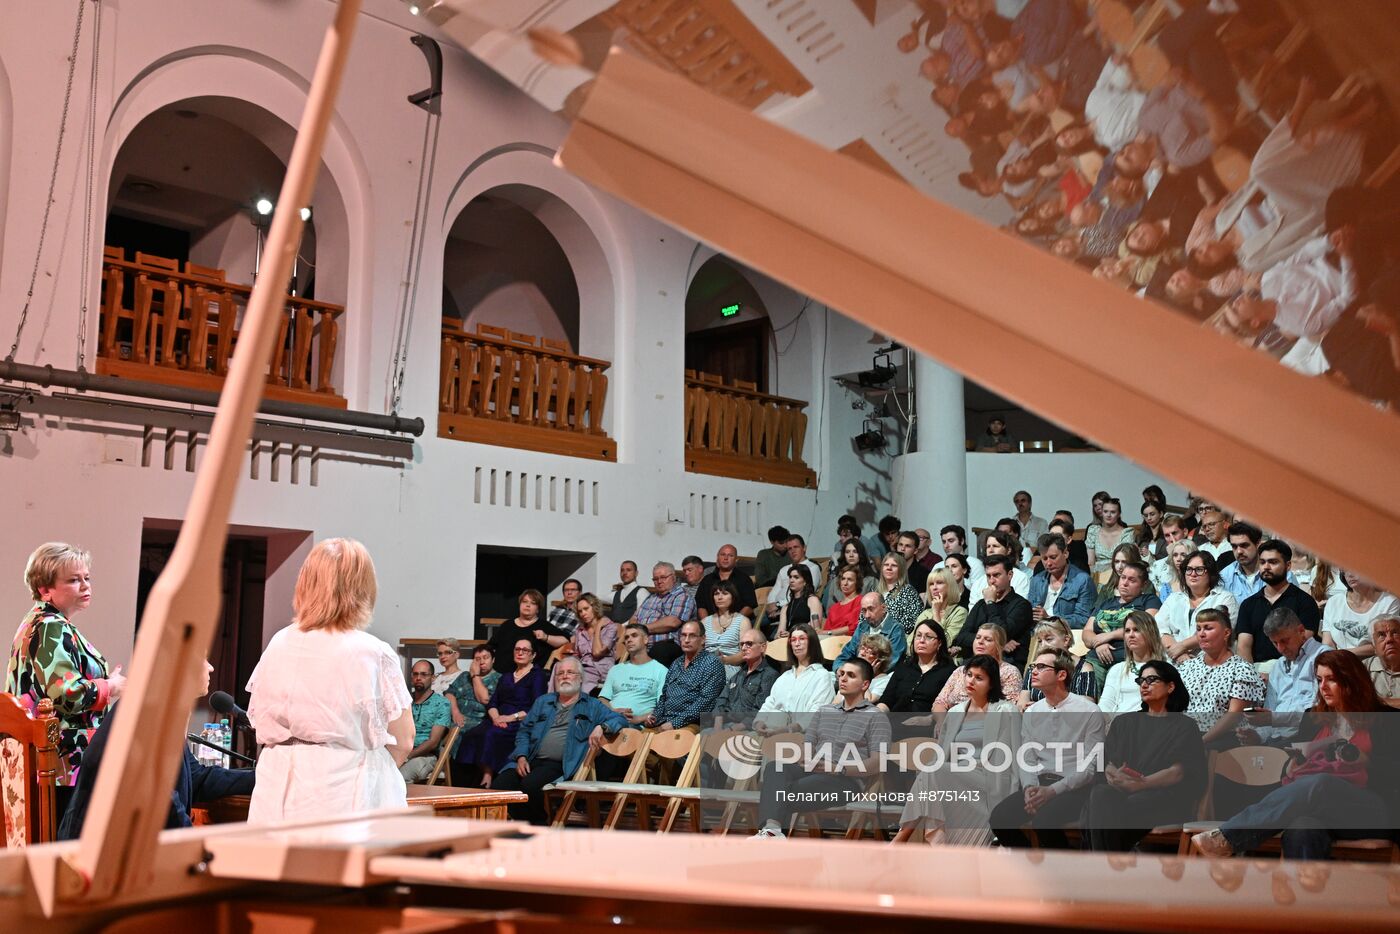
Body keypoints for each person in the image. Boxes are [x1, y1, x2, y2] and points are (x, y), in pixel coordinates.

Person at [246, 538, 414, 822]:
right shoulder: (372, 651)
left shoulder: (279, 643)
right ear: (363, 590)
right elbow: (404, 739)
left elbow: (260, 718)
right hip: (344, 787)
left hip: (279, 783)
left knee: (275, 864)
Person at [1192, 651, 1399, 860]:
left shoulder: (1387, 720)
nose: (1323, 687)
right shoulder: (1314, 718)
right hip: (1322, 810)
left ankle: (1228, 838)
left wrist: (1366, 760)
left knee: (1321, 784)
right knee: (1302, 829)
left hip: (1368, 810)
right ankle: (1300, 892)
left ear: (1352, 681)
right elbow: (1295, 764)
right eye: (1319, 680)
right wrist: (1295, 762)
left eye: (1331, 679)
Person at [58, 660, 254, 839]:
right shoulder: (147, 710)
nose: (211, 667)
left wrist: (259, 777)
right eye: (203, 659)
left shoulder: (162, 706)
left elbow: (195, 777)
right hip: (99, 852)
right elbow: (159, 799)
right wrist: (195, 848)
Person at [9, 543, 124, 783]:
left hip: (49, 760)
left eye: (87, 577)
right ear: (45, 590)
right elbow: (65, 695)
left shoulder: (37, 621)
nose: (85, 585)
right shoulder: (51, 625)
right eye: (73, 580)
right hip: (64, 765)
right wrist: (110, 686)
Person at [752, 658, 892, 839]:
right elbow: (807, 746)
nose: (843, 679)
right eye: (841, 674)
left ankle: (772, 833)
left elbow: (878, 763)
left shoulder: (876, 718)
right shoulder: (824, 711)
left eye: (851, 675)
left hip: (846, 781)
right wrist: (807, 758)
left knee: (784, 792)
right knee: (774, 767)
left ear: (865, 684)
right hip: (814, 770)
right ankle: (772, 830)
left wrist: (837, 768)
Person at [897, 655, 1022, 846]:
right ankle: (910, 839)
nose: (971, 681)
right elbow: (941, 755)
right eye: (969, 675)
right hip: (955, 777)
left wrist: (1014, 797)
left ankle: (901, 837)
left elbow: (1014, 756)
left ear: (991, 683)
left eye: (979, 678)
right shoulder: (955, 713)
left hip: (989, 778)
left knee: (933, 771)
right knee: (931, 770)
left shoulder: (1005, 711)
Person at [1083, 659, 1207, 851]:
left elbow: (1179, 772)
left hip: (1162, 796)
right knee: (1100, 794)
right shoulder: (1124, 722)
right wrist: (1114, 776)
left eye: (1152, 679)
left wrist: (1141, 784)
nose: (1144, 685)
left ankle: (1103, 868)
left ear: (1171, 686)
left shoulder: (1184, 726)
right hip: (1121, 792)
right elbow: (1106, 762)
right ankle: (1109, 866)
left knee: (1114, 809)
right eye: (1141, 681)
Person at [989, 649, 1107, 849]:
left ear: (1061, 675)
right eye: (1033, 666)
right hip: (1039, 783)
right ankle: (1030, 867)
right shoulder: (1033, 710)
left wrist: (1051, 791)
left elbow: (1090, 768)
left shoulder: (1090, 711)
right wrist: (1029, 788)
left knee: (1044, 822)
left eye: (1042, 667)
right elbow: (1027, 757)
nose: (1033, 671)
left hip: (1076, 788)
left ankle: (1061, 874)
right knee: (999, 818)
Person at [493, 656, 628, 825]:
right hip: (531, 758)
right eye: (560, 673)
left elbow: (620, 719)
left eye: (570, 672)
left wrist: (602, 727)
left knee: (530, 786)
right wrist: (521, 756)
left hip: (561, 763)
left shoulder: (591, 705)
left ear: (580, 678)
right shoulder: (543, 701)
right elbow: (524, 731)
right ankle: (528, 823)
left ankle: (538, 825)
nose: (564, 676)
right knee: (500, 785)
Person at [455, 638, 549, 787]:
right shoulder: (506, 676)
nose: (520, 652)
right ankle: (466, 784)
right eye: (517, 649)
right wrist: (496, 717)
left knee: (491, 734)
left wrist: (511, 718)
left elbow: (537, 707)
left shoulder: (537, 676)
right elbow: (493, 702)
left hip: (520, 721)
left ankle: (488, 776)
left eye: (525, 650)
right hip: (496, 718)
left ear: (533, 655)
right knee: (470, 735)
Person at [1178, 608, 1265, 748]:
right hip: (1186, 734)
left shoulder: (1242, 669)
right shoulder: (1186, 667)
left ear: (1226, 633)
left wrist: (1199, 742)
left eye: (1208, 628)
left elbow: (1233, 717)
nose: (1201, 634)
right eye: (1198, 629)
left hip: (1224, 737)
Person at [1238, 608, 1326, 745]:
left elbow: (1318, 714)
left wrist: (1274, 718)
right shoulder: (1278, 666)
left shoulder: (1324, 657)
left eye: (1285, 641)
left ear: (1301, 630)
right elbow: (1271, 710)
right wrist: (1258, 735)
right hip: (1276, 740)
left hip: (1310, 737)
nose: (1280, 649)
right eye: (1275, 643)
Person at [1236, 541, 1321, 664]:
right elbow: (1243, 647)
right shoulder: (1249, 604)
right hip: (1257, 670)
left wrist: (1281, 673)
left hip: (1295, 668)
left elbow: (1303, 644)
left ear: (1288, 566)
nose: (1266, 567)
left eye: (1273, 562)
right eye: (1262, 562)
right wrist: (1251, 678)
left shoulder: (1304, 602)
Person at [1083, 561, 1161, 691]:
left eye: (1132, 580)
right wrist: (1098, 643)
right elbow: (1087, 632)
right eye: (1123, 577)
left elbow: (1147, 626)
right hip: (1096, 659)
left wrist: (1109, 635)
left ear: (1144, 585)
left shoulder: (1149, 600)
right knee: (1084, 678)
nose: (1124, 583)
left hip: (1127, 659)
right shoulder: (1106, 603)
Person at [644, 620, 725, 731]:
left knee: (669, 742)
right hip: (665, 720)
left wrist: (675, 723)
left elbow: (706, 702)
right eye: (683, 635)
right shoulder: (676, 663)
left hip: (692, 723)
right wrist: (655, 717)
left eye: (692, 636)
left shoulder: (711, 663)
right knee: (638, 739)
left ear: (703, 639)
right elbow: (664, 696)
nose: (686, 640)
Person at [1157, 552, 1239, 662]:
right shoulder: (1174, 598)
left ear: (1210, 573)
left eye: (1199, 569)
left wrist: (1183, 646)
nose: (1193, 574)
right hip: (1174, 661)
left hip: (1211, 662)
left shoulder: (1224, 598)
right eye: (1189, 569)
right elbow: (1159, 627)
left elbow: (1219, 631)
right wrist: (1177, 652)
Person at [755, 624, 834, 733]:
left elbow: (818, 711)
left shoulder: (821, 675)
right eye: (793, 640)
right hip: (774, 730)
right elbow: (770, 703)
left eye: (802, 639)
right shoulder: (785, 677)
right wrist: (760, 721)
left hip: (804, 734)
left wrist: (790, 729)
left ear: (812, 642)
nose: (797, 644)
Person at [959, 555, 1034, 668]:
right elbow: (962, 637)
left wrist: (990, 603)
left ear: (1009, 575)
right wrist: (995, 644)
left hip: (1006, 664)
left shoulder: (1022, 605)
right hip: (976, 663)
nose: (992, 581)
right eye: (988, 576)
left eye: (996, 575)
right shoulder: (980, 604)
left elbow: (1002, 633)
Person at [934, 623, 1023, 710]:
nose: (980, 642)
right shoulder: (960, 670)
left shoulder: (1009, 672)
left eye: (988, 639)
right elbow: (940, 702)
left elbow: (1008, 708)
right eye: (977, 637)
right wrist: (944, 722)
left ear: (1000, 646)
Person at [1015, 617, 1096, 708]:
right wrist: (1026, 707)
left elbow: (1087, 707)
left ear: (1066, 640)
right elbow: (1022, 702)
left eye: (1049, 639)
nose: (1043, 645)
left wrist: (1045, 709)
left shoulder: (1084, 668)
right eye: (1040, 641)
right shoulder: (1034, 666)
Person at [879, 620, 955, 713]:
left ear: (939, 643)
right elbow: (886, 701)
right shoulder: (904, 667)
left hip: (928, 723)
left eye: (928, 637)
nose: (922, 640)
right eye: (918, 636)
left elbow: (948, 707)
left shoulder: (949, 672)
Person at [598, 623, 667, 725]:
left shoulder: (661, 670)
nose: (629, 640)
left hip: (636, 727)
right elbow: (603, 698)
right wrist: (613, 712)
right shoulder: (616, 669)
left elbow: (664, 706)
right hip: (609, 718)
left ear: (645, 640)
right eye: (626, 637)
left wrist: (639, 718)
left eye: (634, 635)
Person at [1099, 611, 1167, 713]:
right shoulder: (1117, 669)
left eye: (1136, 630)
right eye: (1127, 631)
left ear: (1150, 633)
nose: (1131, 635)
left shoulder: (1165, 668)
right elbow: (1105, 704)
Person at [633, 561, 697, 666]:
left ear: (673, 577)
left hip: (667, 644)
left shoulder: (682, 596)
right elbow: (634, 618)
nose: (659, 581)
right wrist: (634, 630)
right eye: (655, 579)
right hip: (641, 643)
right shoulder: (650, 598)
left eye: (663, 577)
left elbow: (673, 622)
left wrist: (642, 629)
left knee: (660, 650)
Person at [487, 590, 565, 674]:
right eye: (524, 602)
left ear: (538, 609)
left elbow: (565, 640)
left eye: (533, 603)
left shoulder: (544, 626)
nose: (527, 605)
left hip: (529, 678)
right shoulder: (507, 625)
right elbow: (490, 646)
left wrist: (546, 637)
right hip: (501, 675)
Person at [400, 660, 453, 782]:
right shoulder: (404, 701)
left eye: (424, 674)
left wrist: (407, 757)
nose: (419, 678)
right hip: (400, 752)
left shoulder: (442, 703)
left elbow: (433, 742)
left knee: (398, 779)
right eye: (415, 674)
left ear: (433, 678)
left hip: (425, 756)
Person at [1322, 572, 1399, 656]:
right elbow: (1328, 643)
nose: (1350, 575)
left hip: (1374, 663)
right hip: (1339, 661)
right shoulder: (1334, 602)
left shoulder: (1389, 602)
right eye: (1345, 571)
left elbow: (1386, 642)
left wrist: (1343, 654)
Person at [1027, 533, 1095, 627]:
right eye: (1044, 558)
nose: (1049, 563)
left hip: (1066, 634)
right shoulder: (1036, 580)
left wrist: (1050, 618)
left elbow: (1083, 619)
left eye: (1053, 557)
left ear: (1065, 553)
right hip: (1038, 633)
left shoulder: (1083, 580)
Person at [713, 629, 778, 728]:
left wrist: (736, 728)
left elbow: (760, 709)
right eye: (742, 644)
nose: (743, 648)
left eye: (749, 644)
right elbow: (721, 701)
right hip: (725, 725)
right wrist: (717, 727)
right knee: (703, 735)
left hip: (748, 729)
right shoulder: (737, 675)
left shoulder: (769, 675)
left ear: (763, 647)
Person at [443, 644, 499, 752]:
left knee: (459, 731)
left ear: (493, 660)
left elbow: (484, 699)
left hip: (477, 721)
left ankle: (450, 766)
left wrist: (475, 676)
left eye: (485, 658)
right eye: (477, 659)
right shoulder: (464, 676)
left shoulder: (499, 679)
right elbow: (449, 693)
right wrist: (455, 712)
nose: (481, 662)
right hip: (454, 717)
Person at [834, 592, 907, 670]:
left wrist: (867, 673)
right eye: (864, 610)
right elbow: (846, 654)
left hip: (881, 677)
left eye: (871, 609)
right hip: (857, 673)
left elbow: (890, 664)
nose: (867, 615)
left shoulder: (896, 629)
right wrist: (839, 669)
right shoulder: (862, 627)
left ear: (883, 608)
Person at [766, 536, 821, 629]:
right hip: (776, 611)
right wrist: (771, 606)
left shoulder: (812, 567)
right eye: (789, 549)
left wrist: (779, 605)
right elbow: (775, 590)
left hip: (795, 608)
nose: (792, 551)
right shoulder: (784, 569)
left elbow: (807, 592)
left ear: (804, 548)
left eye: (796, 547)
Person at [696, 544, 758, 621]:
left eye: (730, 555)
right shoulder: (707, 580)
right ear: (717, 558)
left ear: (736, 560)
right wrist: (707, 625)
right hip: (711, 625)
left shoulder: (744, 579)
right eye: (723, 555)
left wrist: (732, 624)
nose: (725, 558)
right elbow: (701, 606)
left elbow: (749, 606)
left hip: (739, 624)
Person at [570, 593, 617, 695]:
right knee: (559, 669)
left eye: (586, 609)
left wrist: (598, 627)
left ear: (594, 607)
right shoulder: (580, 630)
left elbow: (597, 652)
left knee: (580, 679)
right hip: (582, 667)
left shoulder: (610, 627)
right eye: (580, 611)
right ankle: (552, 706)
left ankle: (578, 707)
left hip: (599, 668)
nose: (583, 613)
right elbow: (577, 654)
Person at [916, 567, 968, 657]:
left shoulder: (960, 612)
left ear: (950, 586)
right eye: (931, 584)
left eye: (939, 583)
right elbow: (911, 643)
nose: (934, 587)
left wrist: (936, 613)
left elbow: (945, 642)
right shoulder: (925, 614)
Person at [704, 579, 750, 678]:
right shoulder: (704, 622)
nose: (719, 597)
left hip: (730, 667)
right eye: (716, 594)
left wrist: (724, 660)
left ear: (733, 597)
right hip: (705, 666)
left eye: (725, 593)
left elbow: (745, 652)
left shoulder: (742, 621)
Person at [875, 552, 924, 637]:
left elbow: (911, 623)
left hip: (896, 639)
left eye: (894, 565)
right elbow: (863, 619)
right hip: (871, 638)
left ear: (901, 570)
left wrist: (884, 631)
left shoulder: (908, 592)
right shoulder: (875, 592)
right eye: (886, 565)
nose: (889, 568)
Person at [1218, 522, 1268, 603]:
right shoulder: (1224, 577)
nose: (1239, 551)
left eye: (1244, 545)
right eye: (1234, 546)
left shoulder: (1277, 572)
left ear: (1258, 543)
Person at [1086, 497, 1133, 575]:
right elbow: (1091, 562)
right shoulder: (1093, 531)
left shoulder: (1126, 533)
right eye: (1105, 511)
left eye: (1113, 512)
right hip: (1098, 576)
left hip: (1119, 575)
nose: (1108, 515)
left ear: (1119, 514)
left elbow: (1126, 560)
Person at [824, 538, 877, 605]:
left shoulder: (871, 581)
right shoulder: (835, 581)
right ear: (844, 555)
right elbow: (830, 609)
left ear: (861, 554)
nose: (851, 555)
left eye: (855, 551)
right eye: (847, 552)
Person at [776, 565, 823, 638]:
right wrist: (780, 635)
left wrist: (792, 635)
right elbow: (778, 633)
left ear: (805, 581)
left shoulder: (812, 600)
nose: (791, 580)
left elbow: (814, 630)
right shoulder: (786, 607)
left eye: (796, 577)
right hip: (788, 642)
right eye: (790, 577)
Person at [1365, 616, 1400, 705]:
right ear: (1374, 646)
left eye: (1395, 633)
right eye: (1381, 635)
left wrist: (1380, 702)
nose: (1389, 639)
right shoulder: (1363, 668)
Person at [824, 567, 864, 636]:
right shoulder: (834, 608)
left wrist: (830, 632)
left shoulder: (861, 601)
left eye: (850, 580)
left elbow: (854, 627)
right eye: (843, 579)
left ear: (857, 583)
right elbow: (826, 630)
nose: (845, 583)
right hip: (831, 641)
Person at [857, 633, 895, 704]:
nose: (862, 653)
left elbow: (867, 701)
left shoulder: (885, 681)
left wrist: (867, 675)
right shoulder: (850, 675)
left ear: (880, 660)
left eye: (870, 652)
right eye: (862, 648)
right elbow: (837, 702)